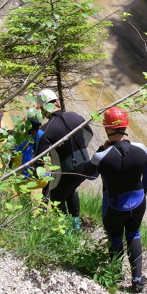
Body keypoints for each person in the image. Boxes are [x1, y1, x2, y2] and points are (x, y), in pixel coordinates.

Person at [88, 106, 147, 293]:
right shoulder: (141, 149)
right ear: (125, 126)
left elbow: (90, 176)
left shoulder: (100, 156)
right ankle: (137, 280)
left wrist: (100, 151)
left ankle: (115, 276)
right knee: (134, 233)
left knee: (115, 237)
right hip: (138, 200)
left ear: (107, 128)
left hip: (114, 205)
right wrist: (143, 194)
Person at [35, 89, 93, 225]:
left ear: (42, 108)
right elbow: (89, 134)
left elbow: (38, 160)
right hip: (85, 165)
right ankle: (76, 225)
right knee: (71, 189)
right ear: (57, 102)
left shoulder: (45, 130)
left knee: (56, 196)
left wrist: (41, 176)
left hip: (65, 170)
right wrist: (80, 147)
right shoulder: (75, 117)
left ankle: (67, 234)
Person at [0, 111, 45, 180]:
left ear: (26, 124)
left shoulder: (14, 135)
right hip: (25, 178)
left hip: (8, 174)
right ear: (39, 127)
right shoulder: (40, 141)